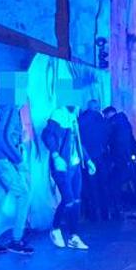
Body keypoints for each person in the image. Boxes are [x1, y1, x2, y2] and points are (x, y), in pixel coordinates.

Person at [0, 96, 33, 256]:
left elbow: (1, 136)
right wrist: (19, 161)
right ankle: (16, 240)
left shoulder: (2, 107)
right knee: (24, 194)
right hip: (4, 160)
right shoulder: (10, 108)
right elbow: (4, 138)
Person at [42, 104, 93, 249]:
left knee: (76, 200)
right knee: (69, 199)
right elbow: (47, 135)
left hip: (75, 165)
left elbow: (77, 141)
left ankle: (74, 236)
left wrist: (87, 160)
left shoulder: (73, 116)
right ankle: (55, 227)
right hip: (62, 167)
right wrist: (56, 156)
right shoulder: (58, 114)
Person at [78, 98, 112, 221]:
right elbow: (107, 136)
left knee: (89, 185)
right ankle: (105, 212)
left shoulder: (80, 119)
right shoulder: (101, 120)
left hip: (86, 157)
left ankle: (92, 213)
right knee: (103, 183)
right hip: (100, 156)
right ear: (97, 108)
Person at [105, 105, 134, 218]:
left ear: (109, 114)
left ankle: (117, 207)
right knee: (121, 182)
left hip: (118, 158)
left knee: (114, 183)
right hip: (125, 158)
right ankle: (120, 206)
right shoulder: (124, 122)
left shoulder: (114, 124)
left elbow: (115, 142)